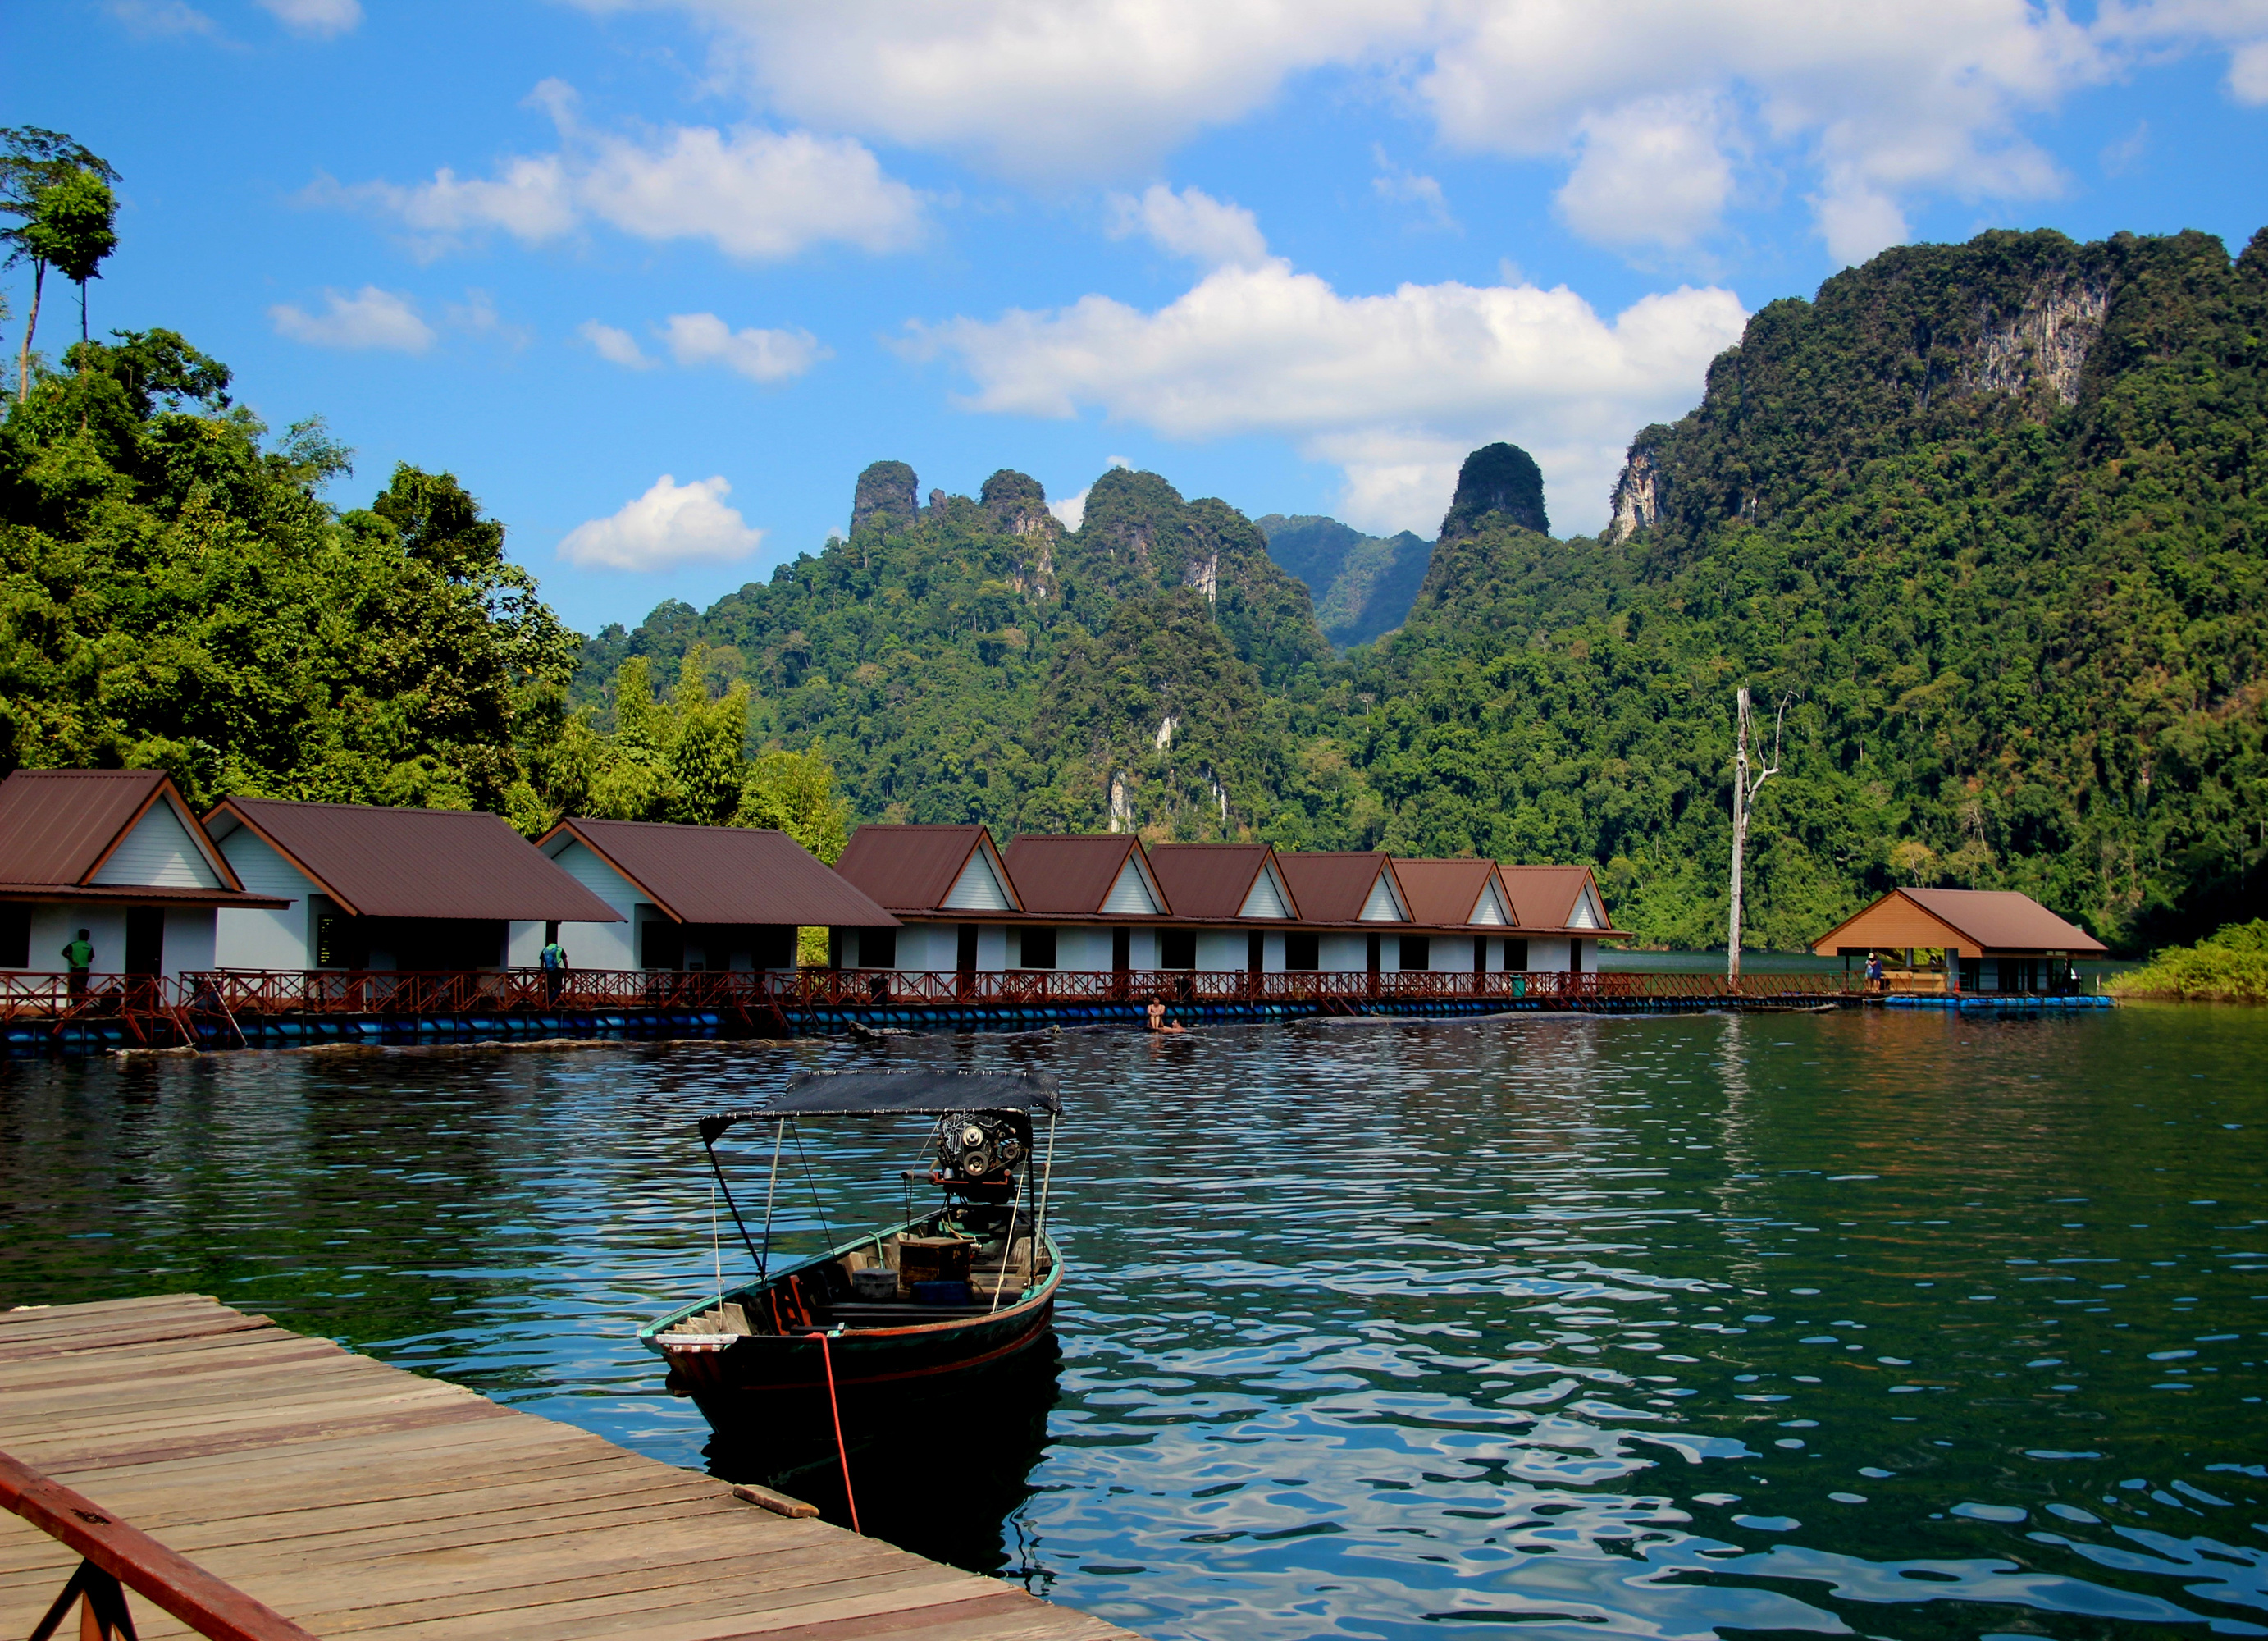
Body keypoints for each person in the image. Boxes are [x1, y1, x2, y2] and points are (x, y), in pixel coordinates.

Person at [61, 928, 94, 1001]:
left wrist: (72, 960)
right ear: (88, 937)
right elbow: (90, 960)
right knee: (83, 988)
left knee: (73, 988)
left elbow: (64, 953)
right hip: (85, 969)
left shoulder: (73, 945)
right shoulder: (89, 946)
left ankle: (76, 1005)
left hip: (75, 968)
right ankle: (81, 1007)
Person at [538, 932, 569, 1006]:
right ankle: (550, 1001)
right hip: (558, 970)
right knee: (559, 987)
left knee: (548, 986)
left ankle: (549, 1002)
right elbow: (565, 960)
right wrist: (567, 970)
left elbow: (542, 962)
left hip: (548, 971)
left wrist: (542, 971)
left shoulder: (545, 950)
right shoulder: (559, 949)